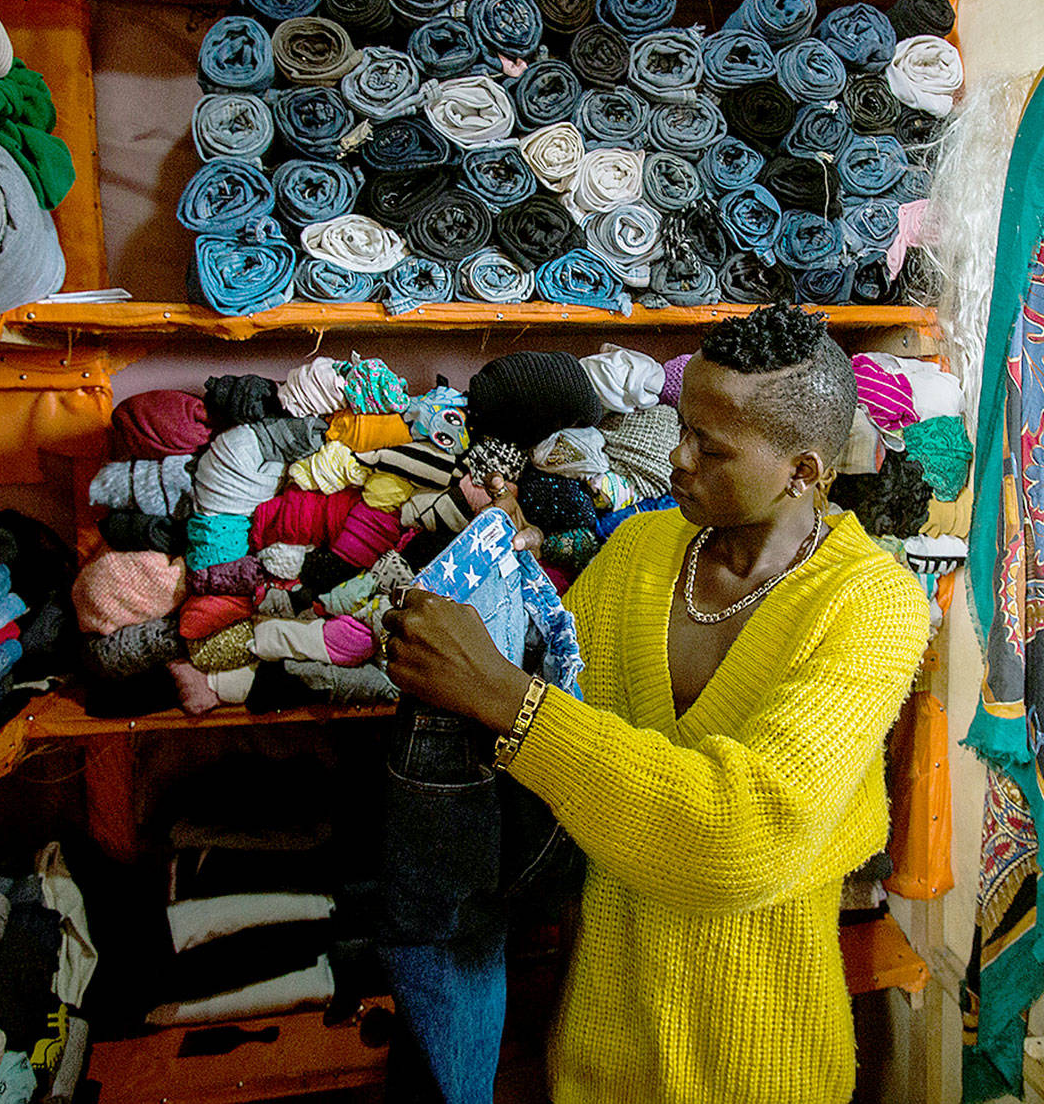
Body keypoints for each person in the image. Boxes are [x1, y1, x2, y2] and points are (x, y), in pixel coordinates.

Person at [382, 303, 931, 1104]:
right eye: (682, 427)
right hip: (601, 1046)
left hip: (761, 1063)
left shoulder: (871, 602)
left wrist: (504, 698)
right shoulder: (642, 550)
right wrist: (489, 617)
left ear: (804, 471)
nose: (675, 459)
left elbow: (735, 834)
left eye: (711, 447)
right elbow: (565, 757)